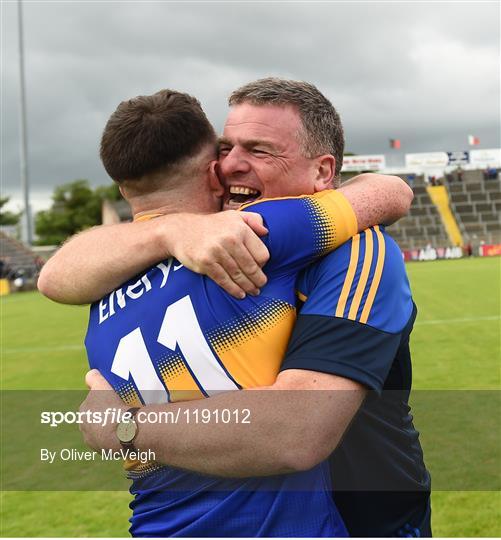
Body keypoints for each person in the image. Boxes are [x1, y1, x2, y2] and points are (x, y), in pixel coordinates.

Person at [39, 79, 428, 537]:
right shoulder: (232, 239)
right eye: (225, 149)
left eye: (260, 151)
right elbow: (292, 435)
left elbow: (53, 276)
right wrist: (171, 232)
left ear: (324, 172)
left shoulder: (108, 292)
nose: (232, 166)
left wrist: (123, 429)